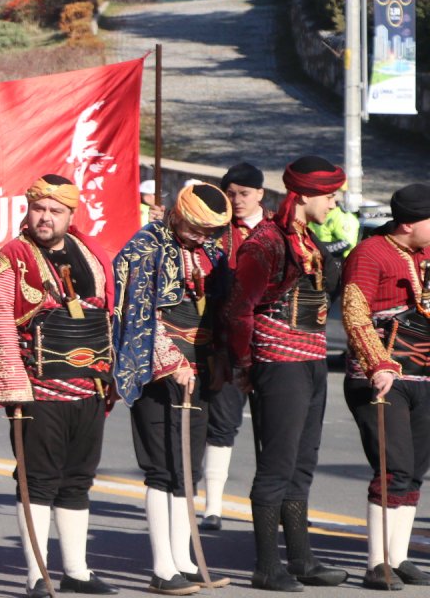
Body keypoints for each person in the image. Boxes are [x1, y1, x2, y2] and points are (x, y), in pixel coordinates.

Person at [0, 175, 117, 597]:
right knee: (38, 480)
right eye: (39, 208)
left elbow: (107, 313)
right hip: (39, 389)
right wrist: (14, 388)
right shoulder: (11, 258)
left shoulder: (91, 253)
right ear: (28, 209)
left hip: (89, 387)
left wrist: (108, 376)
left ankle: (77, 570)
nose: (45, 217)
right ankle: (37, 573)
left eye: (55, 211)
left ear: (70, 215)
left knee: (78, 480)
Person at [227, 156, 349, 591]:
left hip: (312, 359)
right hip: (278, 363)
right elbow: (240, 309)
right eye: (331, 196)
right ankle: (266, 565)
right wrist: (245, 365)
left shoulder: (307, 238)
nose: (334, 204)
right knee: (276, 466)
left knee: (303, 464)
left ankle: (300, 558)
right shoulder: (266, 242)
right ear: (309, 195)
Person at [112, 182, 233, 596]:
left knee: (188, 469)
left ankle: (184, 558)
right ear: (179, 214)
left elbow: (220, 312)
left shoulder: (212, 253)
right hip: (156, 367)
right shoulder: (145, 246)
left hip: (199, 366)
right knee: (162, 467)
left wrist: (218, 360)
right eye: (197, 228)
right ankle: (162, 567)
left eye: (210, 231)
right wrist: (170, 360)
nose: (203, 238)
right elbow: (136, 311)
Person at [340, 183, 430, 590]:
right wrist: (377, 363)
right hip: (380, 378)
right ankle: (377, 563)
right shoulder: (368, 254)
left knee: (414, 473)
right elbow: (354, 311)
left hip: (424, 375)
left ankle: (400, 554)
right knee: (393, 468)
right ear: (409, 225)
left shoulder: (424, 253)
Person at [200, 162, 266, 531]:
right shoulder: (214, 234)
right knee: (221, 426)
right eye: (230, 194)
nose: (237, 201)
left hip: (270, 344)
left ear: (260, 194)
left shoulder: (279, 233)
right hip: (225, 343)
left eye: (244, 193)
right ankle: (213, 506)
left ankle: (270, 504)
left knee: (271, 428)